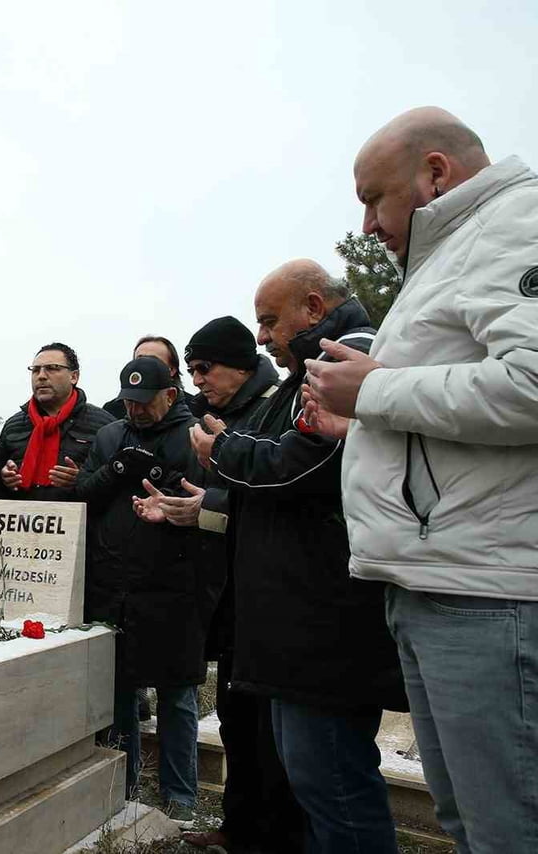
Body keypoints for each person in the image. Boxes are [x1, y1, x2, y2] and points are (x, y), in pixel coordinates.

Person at [304, 107, 538, 852]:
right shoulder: (453, 251)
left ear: (435, 172)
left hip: (487, 593)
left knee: (506, 830)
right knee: (470, 824)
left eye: (376, 197)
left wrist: (371, 394)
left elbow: (531, 383)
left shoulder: (514, 224)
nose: (368, 223)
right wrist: (369, 424)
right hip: (441, 581)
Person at [192, 260, 405, 854]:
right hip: (294, 629)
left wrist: (221, 450)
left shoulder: (344, 360)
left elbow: (298, 466)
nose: (261, 337)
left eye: (269, 320)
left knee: (334, 788)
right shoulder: (305, 373)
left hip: (323, 625)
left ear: (313, 309)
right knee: (312, 785)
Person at [140, 318, 302, 853]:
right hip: (230, 597)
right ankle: (239, 829)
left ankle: (272, 837)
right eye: (190, 370)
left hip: (273, 599)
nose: (196, 379)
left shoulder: (276, 407)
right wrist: (193, 510)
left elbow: (276, 494)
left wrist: (205, 507)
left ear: (238, 365)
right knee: (236, 725)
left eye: (204, 367)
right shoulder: (225, 415)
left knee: (269, 739)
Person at [75, 356, 218, 823]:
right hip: (115, 586)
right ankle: (124, 787)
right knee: (119, 694)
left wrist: (161, 476)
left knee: (177, 695)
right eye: (128, 403)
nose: (134, 411)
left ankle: (181, 797)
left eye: (143, 403)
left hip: (173, 587)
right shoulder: (110, 435)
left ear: (170, 395)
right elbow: (83, 496)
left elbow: (209, 504)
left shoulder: (191, 435)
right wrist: (116, 468)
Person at [0, 342, 113, 501]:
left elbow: (116, 483)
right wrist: (4, 476)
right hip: (23, 521)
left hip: (83, 522)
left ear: (74, 376)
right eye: (35, 370)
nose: (41, 376)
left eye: (52, 368)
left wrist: (83, 480)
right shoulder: (14, 425)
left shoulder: (103, 425)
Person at [103, 335, 198, 418]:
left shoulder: (196, 407)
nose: (145, 366)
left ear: (172, 370)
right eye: (140, 360)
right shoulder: (113, 410)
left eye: (154, 361)